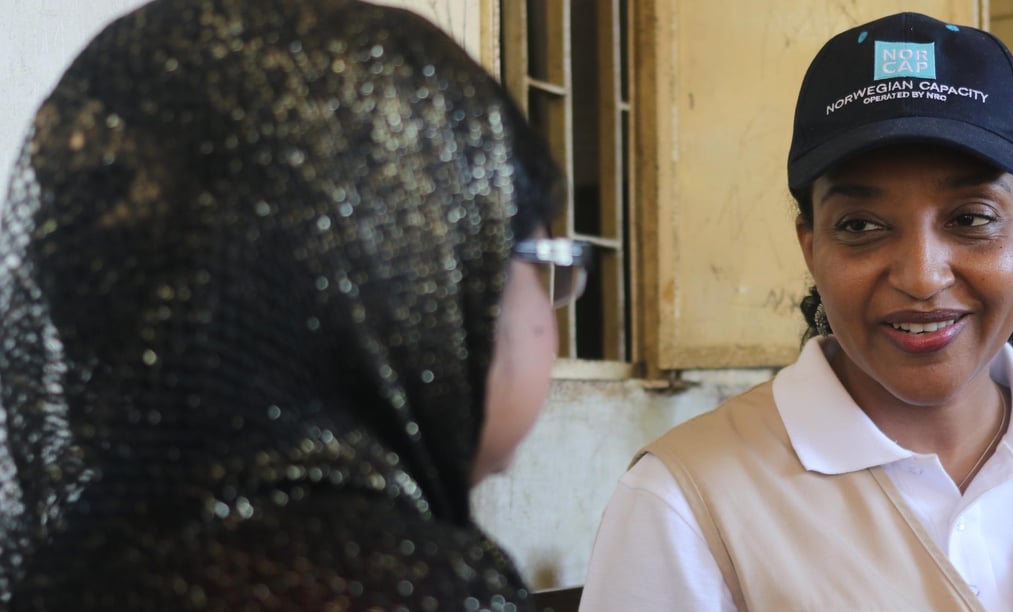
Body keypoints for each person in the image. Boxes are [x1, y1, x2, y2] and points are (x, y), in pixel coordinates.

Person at [580, 12, 1013, 611]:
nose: (921, 276)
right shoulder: (688, 503)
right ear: (811, 247)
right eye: (860, 224)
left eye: (970, 219)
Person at [0, 0, 587, 608]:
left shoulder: (77, 563)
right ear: (409, 292)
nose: (552, 315)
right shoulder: (406, 586)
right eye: (544, 265)